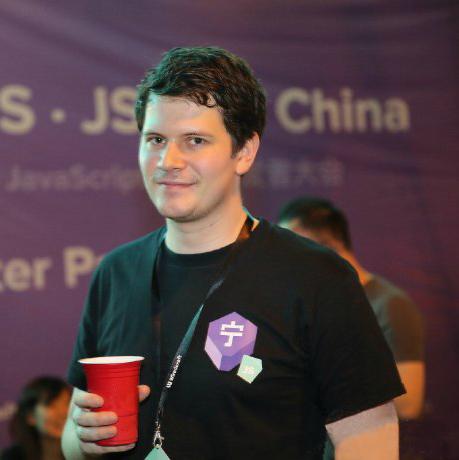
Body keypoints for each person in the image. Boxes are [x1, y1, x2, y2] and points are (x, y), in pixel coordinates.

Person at [62, 46, 405, 460]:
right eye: (155, 139)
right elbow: (72, 437)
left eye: (195, 140)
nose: (168, 161)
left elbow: (370, 438)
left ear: (244, 152)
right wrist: (83, 440)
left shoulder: (315, 277)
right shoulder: (116, 273)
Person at [1, 376, 71, 460]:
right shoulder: (13, 457)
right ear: (30, 416)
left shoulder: (82, 454)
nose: (63, 412)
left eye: (67, 403)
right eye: (52, 405)